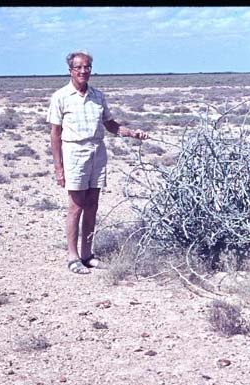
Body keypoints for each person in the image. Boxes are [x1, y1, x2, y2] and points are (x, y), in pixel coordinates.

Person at [47, 50, 149, 274]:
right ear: (70, 70)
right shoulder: (60, 97)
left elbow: (110, 124)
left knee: (92, 205)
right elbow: (55, 134)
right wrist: (58, 167)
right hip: (74, 152)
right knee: (76, 206)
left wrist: (132, 133)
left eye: (87, 67)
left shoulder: (98, 96)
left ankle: (87, 254)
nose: (83, 71)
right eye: (79, 67)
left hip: (97, 152)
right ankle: (73, 257)